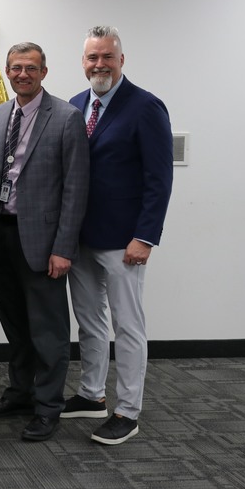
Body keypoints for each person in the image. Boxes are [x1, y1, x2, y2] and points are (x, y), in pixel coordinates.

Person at [64, 25, 173, 445]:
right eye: (92, 57)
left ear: (121, 60)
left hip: (125, 242)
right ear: (83, 62)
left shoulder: (146, 107)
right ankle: (92, 395)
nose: (99, 64)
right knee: (90, 324)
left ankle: (128, 410)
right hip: (81, 238)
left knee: (128, 326)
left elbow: (158, 179)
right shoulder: (75, 106)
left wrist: (145, 236)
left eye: (107, 57)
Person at [0, 43, 89, 442]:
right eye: (16, 68)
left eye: (30, 68)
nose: (22, 74)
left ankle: (47, 407)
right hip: (2, 234)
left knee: (48, 331)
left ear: (44, 71)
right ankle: (20, 393)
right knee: (16, 326)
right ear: (7, 72)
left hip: (43, 243)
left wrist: (64, 248)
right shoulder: (2, 113)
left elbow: (76, 189)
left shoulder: (67, 117)